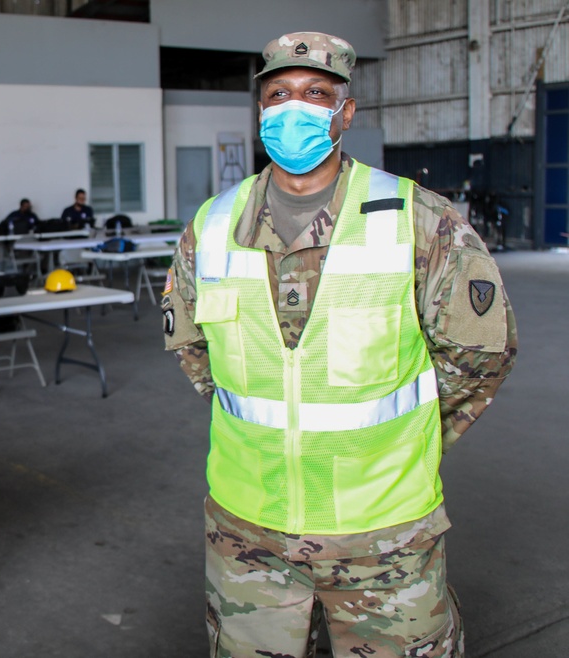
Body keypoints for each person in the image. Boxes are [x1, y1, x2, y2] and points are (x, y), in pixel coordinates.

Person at [162, 33, 516, 658]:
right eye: (279, 95)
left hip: (387, 536)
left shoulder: (419, 219)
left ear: (344, 114)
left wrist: (408, 437)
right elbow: (195, 352)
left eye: (315, 94)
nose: (293, 108)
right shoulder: (211, 225)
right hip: (248, 532)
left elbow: (478, 357)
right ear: (261, 111)